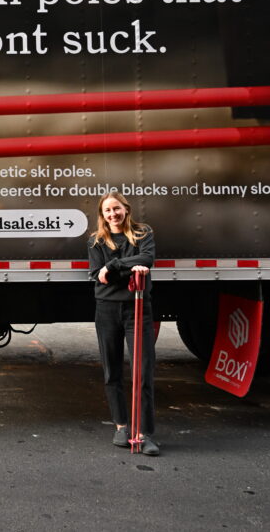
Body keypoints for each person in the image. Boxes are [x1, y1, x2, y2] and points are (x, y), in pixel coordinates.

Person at [87, 191, 159, 457]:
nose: (113, 214)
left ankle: (144, 434)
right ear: (102, 215)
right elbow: (98, 276)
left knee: (143, 371)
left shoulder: (143, 234)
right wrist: (127, 268)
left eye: (116, 209)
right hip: (106, 311)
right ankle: (121, 426)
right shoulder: (96, 241)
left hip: (138, 309)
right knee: (112, 371)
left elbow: (148, 259)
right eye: (107, 211)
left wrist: (114, 265)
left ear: (125, 209)